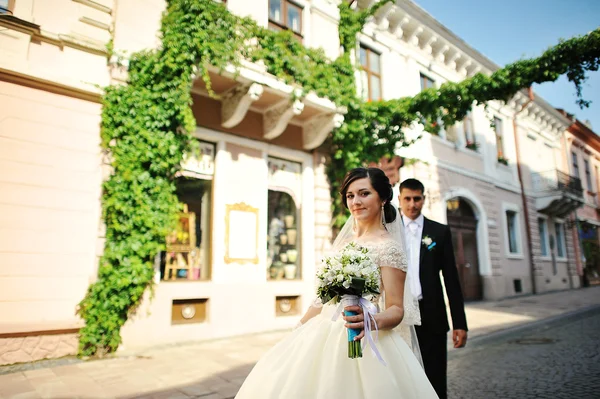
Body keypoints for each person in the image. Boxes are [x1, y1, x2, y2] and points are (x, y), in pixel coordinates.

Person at [236, 168, 438, 399]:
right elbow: (323, 297)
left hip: (364, 337)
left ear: (382, 198)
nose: (356, 201)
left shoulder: (389, 247)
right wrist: (299, 328)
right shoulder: (344, 243)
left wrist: (371, 320)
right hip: (321, 332)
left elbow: (396, 308)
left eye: (364, 193)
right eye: (350, 196)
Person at [398, 178, 468, 399]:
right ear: (399, 199)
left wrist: (460, 323)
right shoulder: (388, 231)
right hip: (398, 316)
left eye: (416, 199)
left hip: (432, 316)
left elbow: (451, 279)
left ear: (423, 199)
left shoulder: (439, 232)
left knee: (435, 379)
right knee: (403, 378)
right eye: (407, 199)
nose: (412, 204)